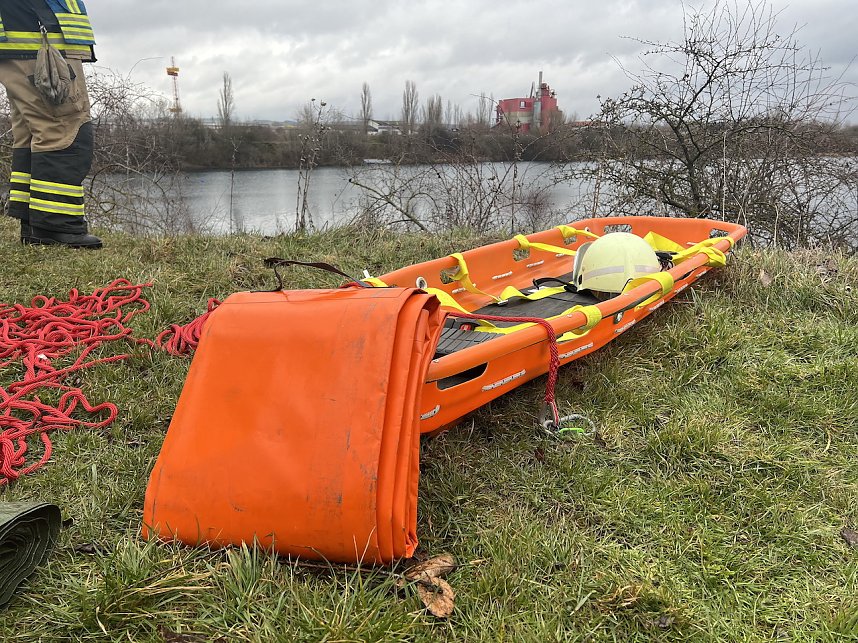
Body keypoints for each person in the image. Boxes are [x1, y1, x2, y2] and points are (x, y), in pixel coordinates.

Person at [0, 0, 101, 248]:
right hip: (35, 31)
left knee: (32, 131)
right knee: (63, 127)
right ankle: (55, 225)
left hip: (23, 34)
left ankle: (35, 222)